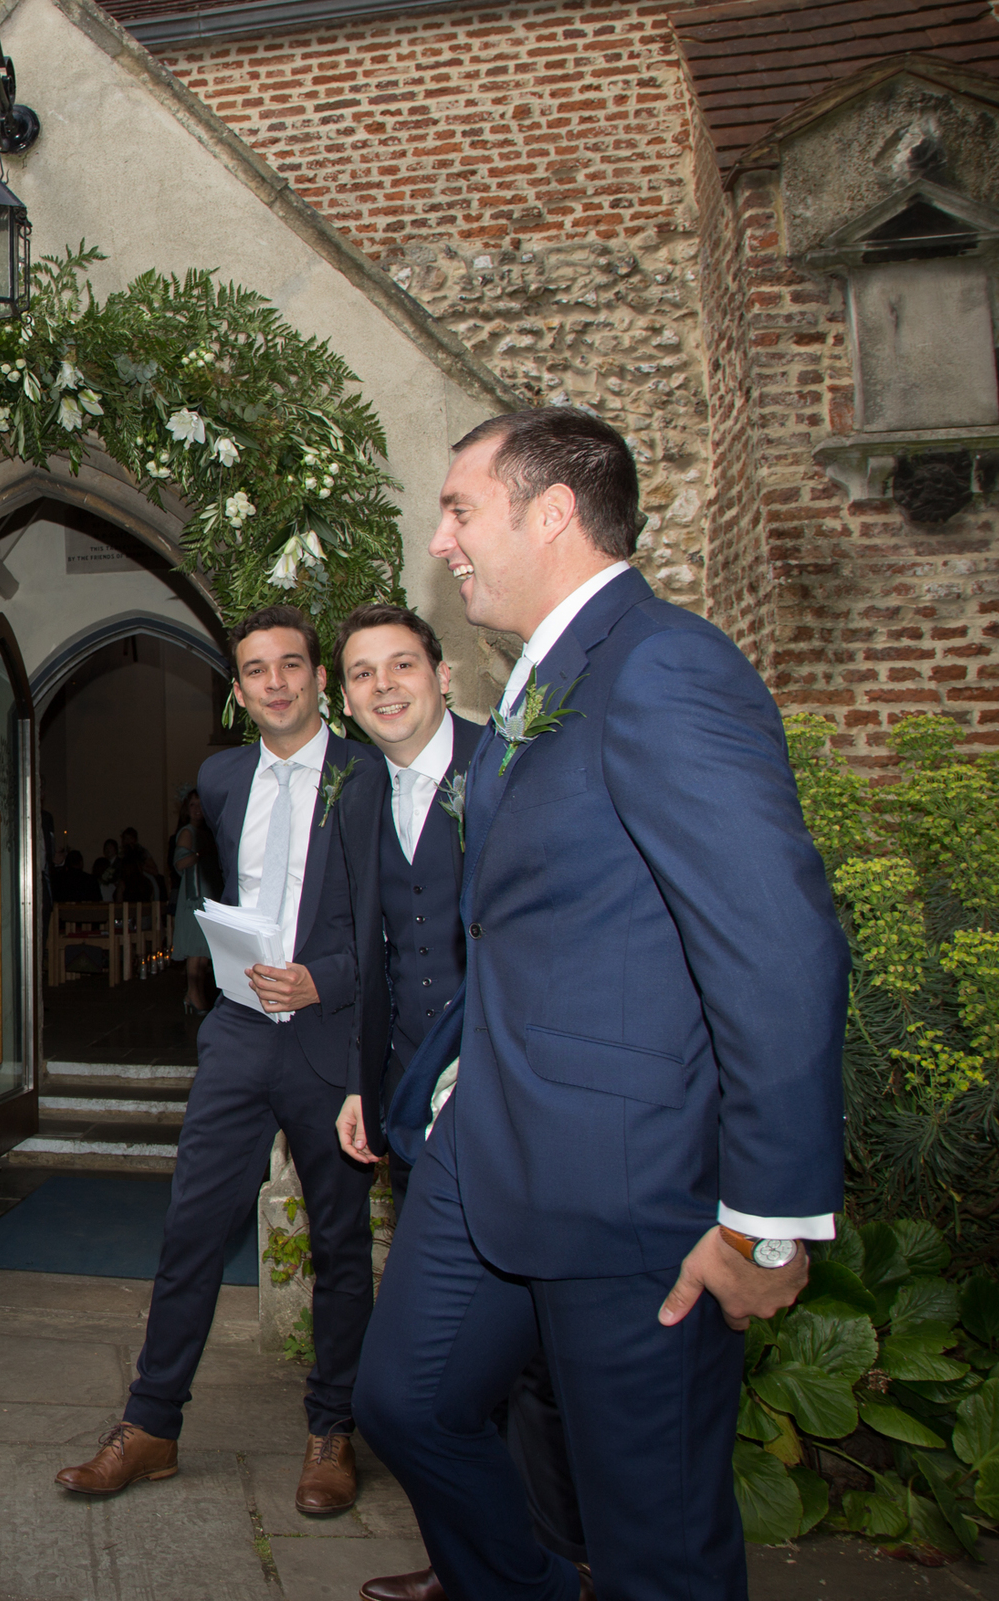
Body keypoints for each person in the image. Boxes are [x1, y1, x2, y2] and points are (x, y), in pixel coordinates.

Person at [354, 408, 846, 1601]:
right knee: (404, 1403)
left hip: (635, 1185)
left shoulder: (663, 666)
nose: (443, 538)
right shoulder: (543, 678)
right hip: (494, 1147)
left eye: (461, 508)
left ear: (553, 512)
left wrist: (766, 1217)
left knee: (650, 1543)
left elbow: (777, 944)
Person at [56, 603, 380, 1517]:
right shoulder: (222, 777)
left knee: (339, 1244)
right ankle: (151, 1426)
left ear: (319, 678)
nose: (275, 682)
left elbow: (402, 927)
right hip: (239, 1036)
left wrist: (325, 980)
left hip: (333, 1038)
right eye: (255, 671)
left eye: (290, 665)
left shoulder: (369, 776)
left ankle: (332, 1429)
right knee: (191, 1230)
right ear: (237, 692)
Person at [329, 603, 586, 1601]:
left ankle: (557, 1559)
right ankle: (467, 1561)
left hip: (516, 1107)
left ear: (443, 675)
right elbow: (376, 956)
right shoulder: (355, 799)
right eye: (360, 674)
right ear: (345, 699)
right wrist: (363, 1082)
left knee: (532, 1369)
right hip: (412, 1107)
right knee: (443, 1368)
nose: (382, 685)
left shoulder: (510, 768)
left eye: (400, 664)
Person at [169, 789, 212, 1014]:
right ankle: (194, 996)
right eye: (193, 805)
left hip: (207, 896)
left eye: (201, 805)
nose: (197, 810)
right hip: (193, 898)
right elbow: (180, 864)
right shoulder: (187, 832)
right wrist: (200, 854)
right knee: (196, 952)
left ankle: (194, 995)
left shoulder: (207, 832)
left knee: (203, 953)